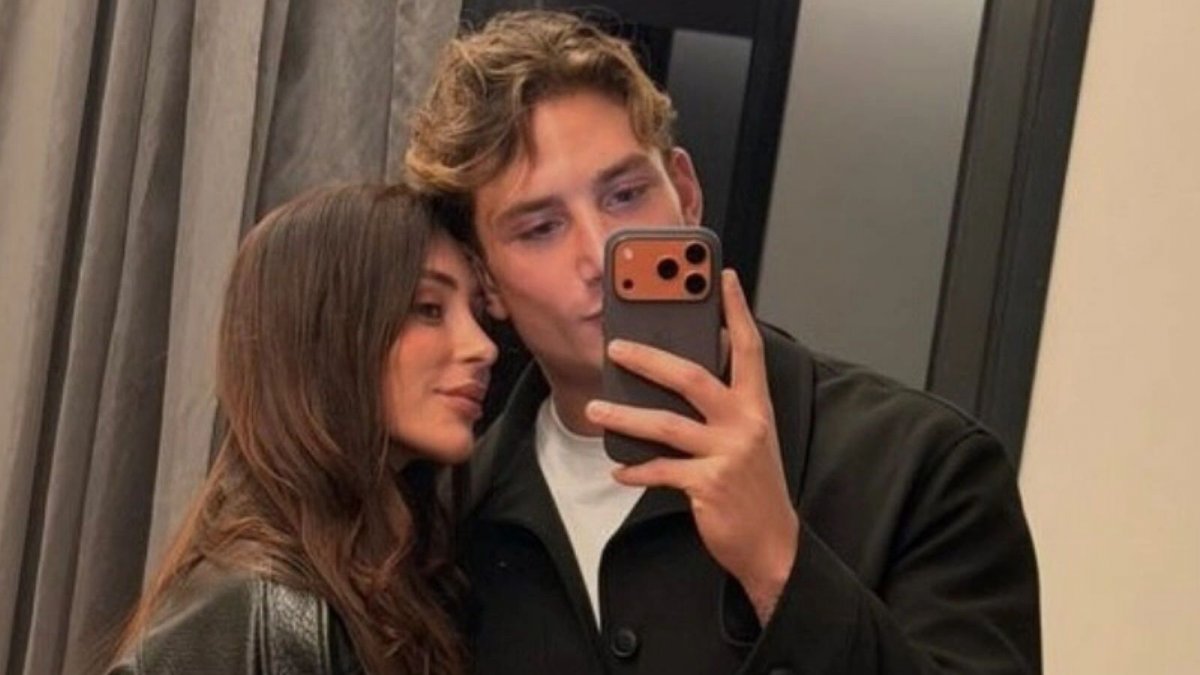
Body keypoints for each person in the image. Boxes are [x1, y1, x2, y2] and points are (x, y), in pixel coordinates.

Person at [405, 10, 1040, 675]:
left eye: (625, 195)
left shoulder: (923, 468)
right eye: (540, 228)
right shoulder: (445, 530)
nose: (599, 254)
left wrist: (779, 564)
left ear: (685, 193)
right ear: (487, 282)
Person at [105, 184, 497, 674]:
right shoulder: (243, 616)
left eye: (477, 313)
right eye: (429, 309)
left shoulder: (410, 582)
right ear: (326, 332)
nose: (483, 347)